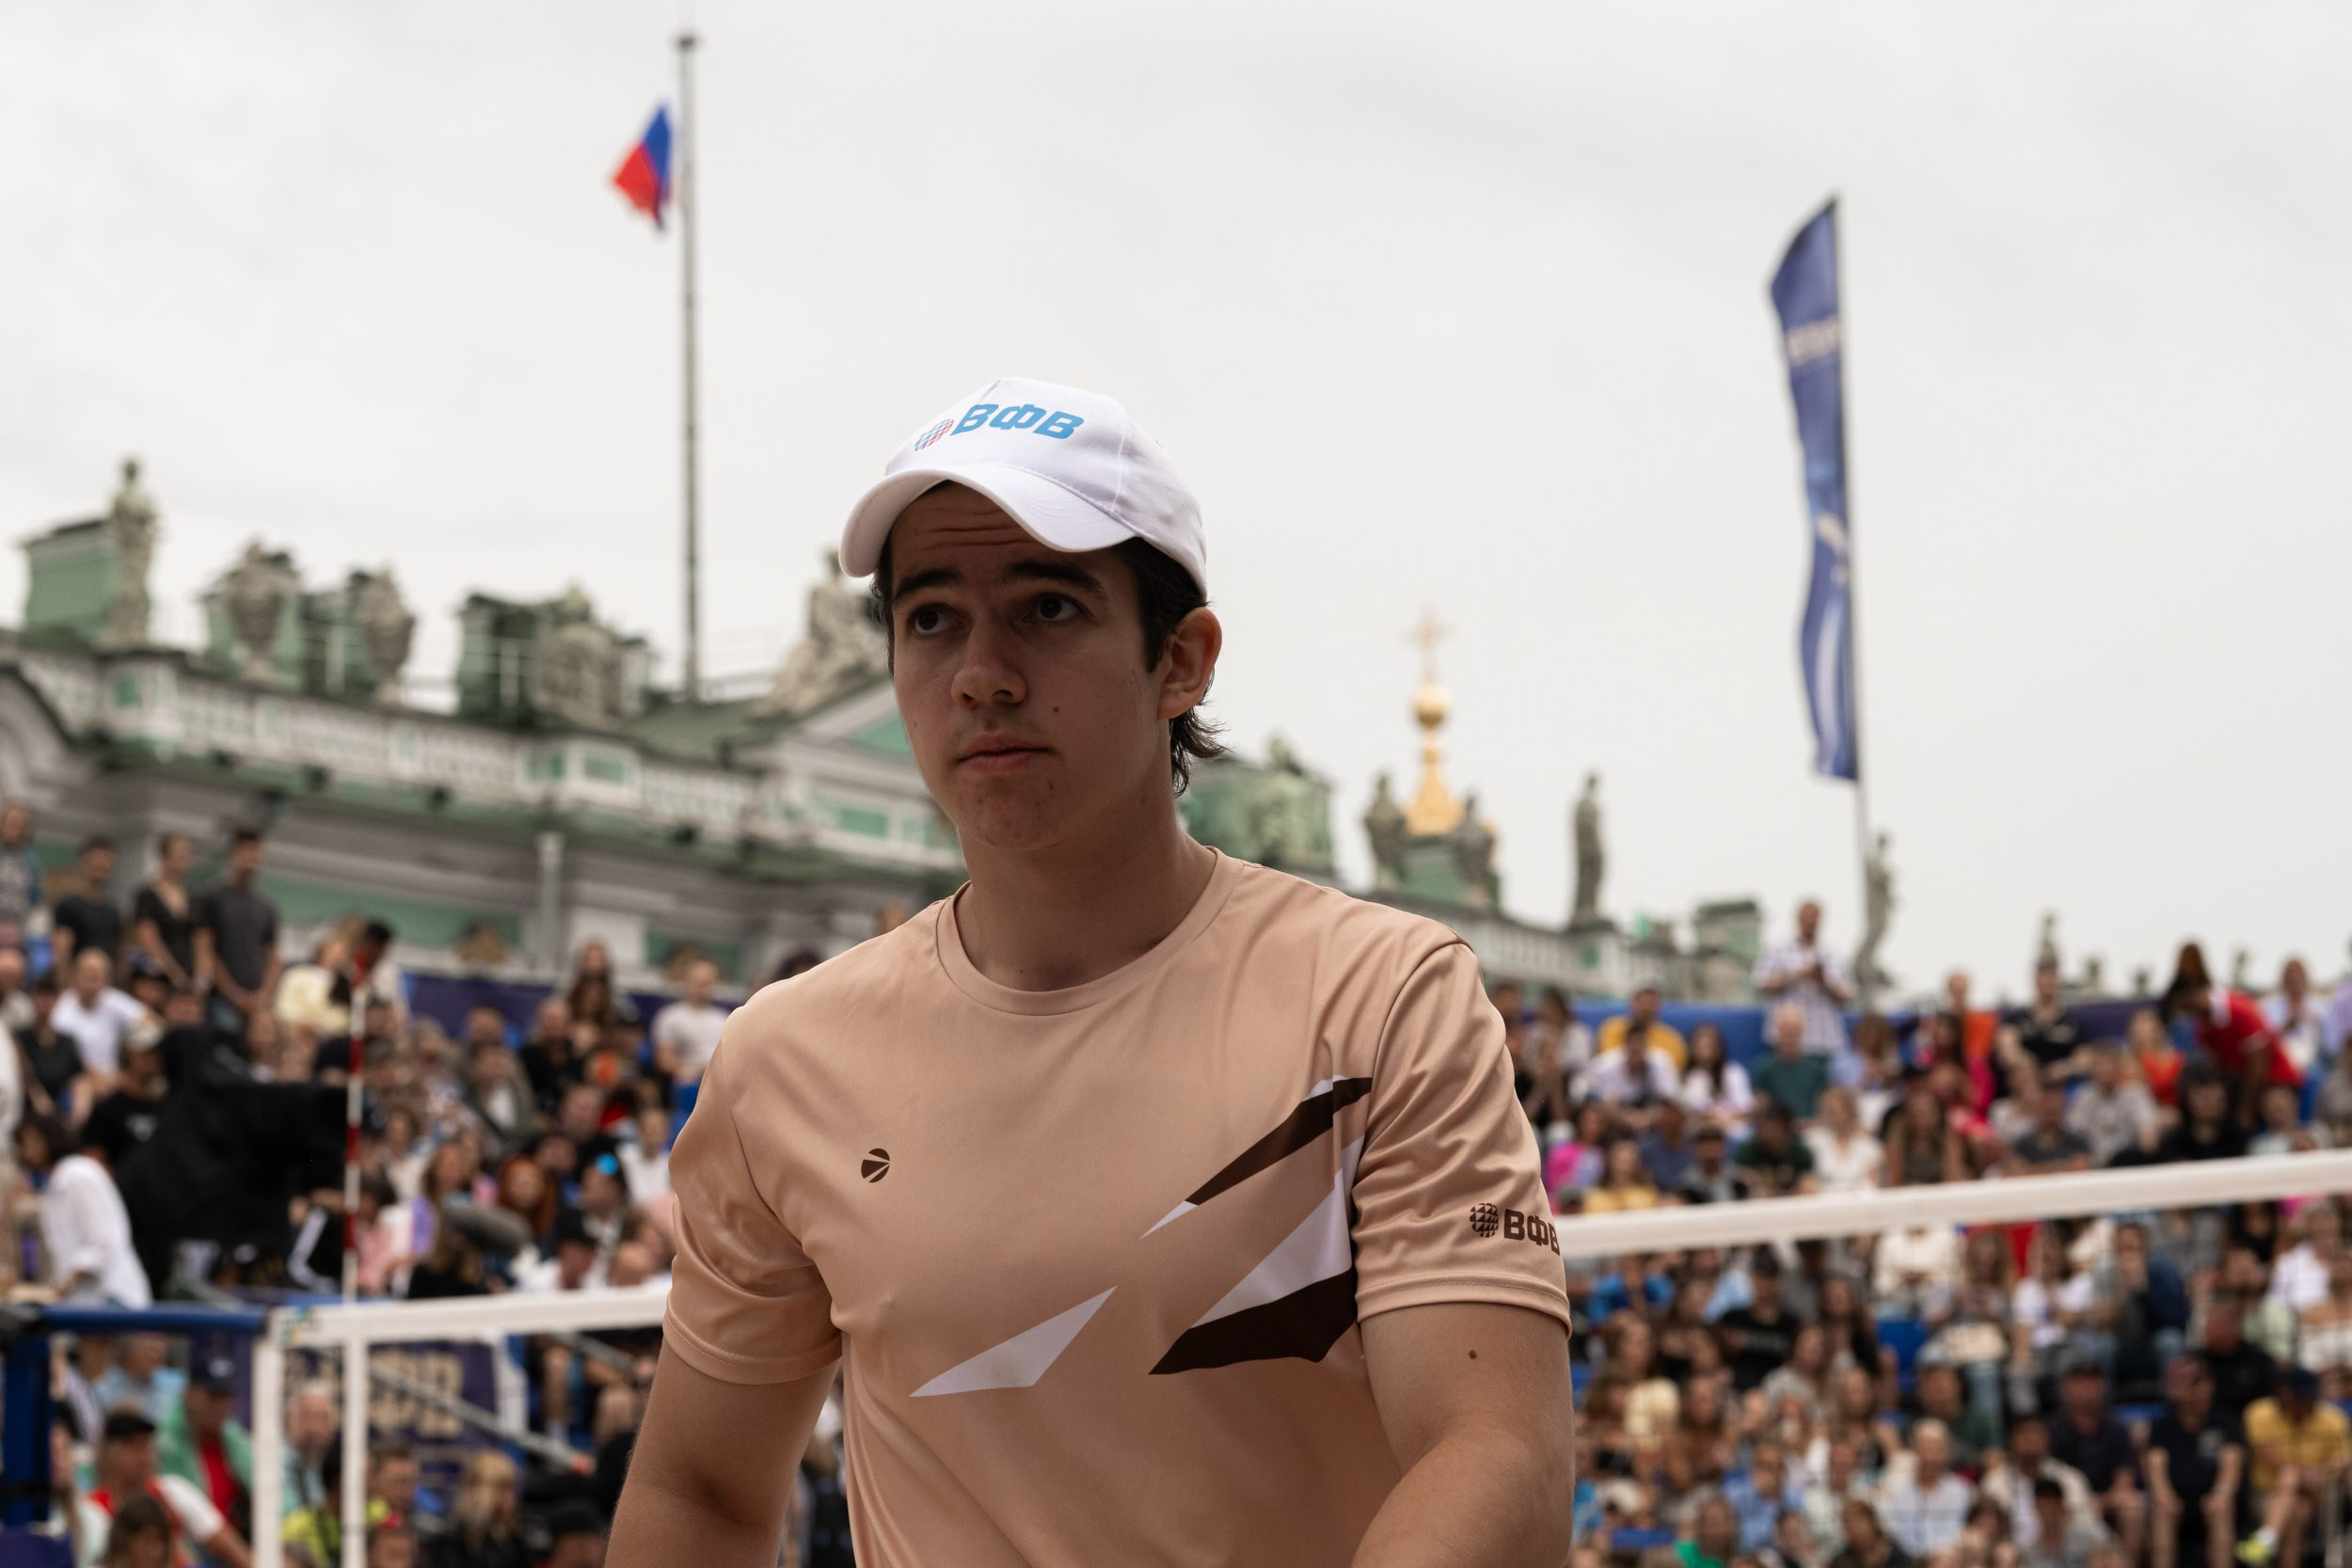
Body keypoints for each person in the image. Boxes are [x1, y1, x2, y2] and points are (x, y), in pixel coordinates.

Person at [612, 378, 1576, 1565]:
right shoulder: (781, 1058)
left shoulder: (1381, 998)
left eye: (1048, 607)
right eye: (930, 619)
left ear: (1181, 660)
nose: (981, 672)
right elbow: (700, 1489)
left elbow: (1497, 1452)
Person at [78, 1409, 251, 1568]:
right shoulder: (90, 1511)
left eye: (146, 1444)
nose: (142, 1455)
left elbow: (230, 1546)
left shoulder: (172, 1491)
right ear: (108, 1452)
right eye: (132, 1445)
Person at [16, 1112, 150, 1307]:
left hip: (111, 1296)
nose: (25, 1151)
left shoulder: (79, 1174)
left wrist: (60, 1286)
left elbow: (102, 1242)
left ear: (49, 1138)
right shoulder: (58, 1182)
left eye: (31, 1141)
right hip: (85, 1301)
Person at [2237, 1365, 2349, 1567]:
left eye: (2310, 1396)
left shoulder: (2333, 1418)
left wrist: (2328, 1471)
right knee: (2295, 1512)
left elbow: (2342, 1458)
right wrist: (2304, 1474)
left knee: (2292, 1476)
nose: (2306, 1402)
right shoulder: (2259, 1412)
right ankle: (2272, 1543)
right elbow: (2273, 1459)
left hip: (2317, 1492)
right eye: (2300, 1397)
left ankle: (2266, 1540)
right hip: (2267, 1494)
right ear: (2285, 1394)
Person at [2145, 1355, 2244, 1568]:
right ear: (2174, 1390)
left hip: (2212, 1497)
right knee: (2163, 1510)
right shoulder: (2163, 1425)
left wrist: (2222, 1493)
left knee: (2221, 1508)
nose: (2201, 1389)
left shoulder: (2225, 1421)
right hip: (2177, 1499)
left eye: (2205, 1382)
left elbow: (2232, 1461)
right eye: (2193, 1384)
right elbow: (2155, 1465)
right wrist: (2165, 1496)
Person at [2048, 1360, 2144, 1567]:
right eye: (2080, 1382)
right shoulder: (2054, 1430)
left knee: (2133, 1506)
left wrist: (2105, 1500)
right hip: (2070, 1501)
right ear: (2066, 1388)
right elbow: (2051, 1476)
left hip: (2108, 1499)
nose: (2088, 1389)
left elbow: (2125, 1476)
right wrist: (2083, 1502)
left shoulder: (2116, 1428)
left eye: (2093, 1382)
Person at [193, 830, 279, 1036]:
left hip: (256, 1003)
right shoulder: (213, 899)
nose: (251, 858)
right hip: (221, 1001)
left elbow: (274, 957)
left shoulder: (266, 907)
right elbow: (205, 949)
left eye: (256, 852)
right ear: (233, 854)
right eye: (246, 851)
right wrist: (232, 993)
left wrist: (263, 996)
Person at [156, 1355, 253, 1531]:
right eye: (212, 1396)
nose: (219, 1406)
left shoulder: (238, 1442)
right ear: (190, 1394)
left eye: (225, 1396)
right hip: (193, 1551)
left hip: (241, 1547)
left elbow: (280, 1503)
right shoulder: (164, 1445)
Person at [1755, 901, 1855, 1056]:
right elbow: (1760, 984)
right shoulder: (1778, 948)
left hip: (1823, 1040)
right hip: (1786, 1040)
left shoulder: (1831, 953)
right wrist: (1797, 975)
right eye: (1806, 917)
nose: (1810, 922)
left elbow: (1848, 996)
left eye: (1814, 918)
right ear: (1798, 919)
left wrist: (1823, 981)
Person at [1877, 1418, 1973, 1559]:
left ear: (1946, 1453)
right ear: (1914, 1452)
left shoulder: (1962, 1492)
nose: (1929, 1458)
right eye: (1924, 1450)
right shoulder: (1897, 1492)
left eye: (1936, 1451)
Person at [50, 949, 146, 1082]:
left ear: (106, 978)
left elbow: (148, 1019)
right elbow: (61, 1052)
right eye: (88, 971)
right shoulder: (63, 1005)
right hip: (75, 1077)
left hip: (113, 1077)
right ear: (75, 975)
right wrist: (94, 1074)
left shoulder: (114, 999)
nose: (93, 975)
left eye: (98, 972)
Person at [423, 1450, 528, 1568]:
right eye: (504, 1489)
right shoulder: (449, 1545)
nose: (512, 1498)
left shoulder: (516, 1544)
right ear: (482, 1493)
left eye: (512, 1489)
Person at [2067, 1043, 2158, 1166]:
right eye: (2100, 1065)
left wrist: (2147, 1136)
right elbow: (2073, 1132)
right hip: (2093, 1165)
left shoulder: (2135, 1093)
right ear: (2092, 1070)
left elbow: (2148, 1132)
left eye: (2109, 1064)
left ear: (2119, 1067)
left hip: (2129, 1163)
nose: (2105, 1069)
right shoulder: (2084, 1096)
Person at [128, 833, 198, 993]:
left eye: (187, 852)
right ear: (164, 855)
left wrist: (200, 978)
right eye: (179, 852)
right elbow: (149, 938)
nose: (184, 856)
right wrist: (175, 974)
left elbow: (199, 939)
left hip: (189, 976)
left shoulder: (192, 898)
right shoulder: (147, 895)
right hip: (159, 978)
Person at [650, 958, 728, 1088]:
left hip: (721, 1079)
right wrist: (696, 1071)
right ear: (686, 982)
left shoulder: (724, 1018)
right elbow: (664, 1060)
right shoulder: (669, 1017)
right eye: (698, 982)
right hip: (688, 1082)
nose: (703, 987)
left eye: (707, 982)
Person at [51, 837, 124, 974]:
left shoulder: (113, 910)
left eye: (106, 859)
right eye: (97, 859)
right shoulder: (68, 905)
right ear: (83, 862)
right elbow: (62, 954)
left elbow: (118, 952)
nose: (102, 864)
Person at [1751, 1006, 1833, 1122]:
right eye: (1786, 1032)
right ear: (1778, 1032)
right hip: (1778, 1130)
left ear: (1802, 1033)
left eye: (1795, 1032)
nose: (1790, 1038)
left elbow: (1826, 1108)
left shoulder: (1817, 1071)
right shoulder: (1763, 1069)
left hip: (1811, 1128)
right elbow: (1760, 1107)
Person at [2013, 961, 2088, 1082]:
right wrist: (2025, 1063)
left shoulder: (2072, 1022)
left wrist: (2063, 1068)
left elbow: (2084, 1058)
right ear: (2035, 981)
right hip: (2026, 1084)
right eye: (2044, 977)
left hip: (2061, 1086)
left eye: (2052, 978)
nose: (2047, 982)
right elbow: (2006, 1046)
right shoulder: (2018, 1019)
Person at [1804, 1085, 1881, 1195]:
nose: (1833, 1116)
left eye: (1836, 1110)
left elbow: (1872, 1184)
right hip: (1822, 1204)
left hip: (1861, 1203)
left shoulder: (1869, 1146)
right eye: (1829, 1111)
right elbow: (1807, 1182)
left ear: (1851, 1111)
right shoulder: (1811, 1142)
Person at [1680, 1022, 1754, 1132]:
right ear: (1692, 1048)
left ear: (1719, 1048)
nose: (1705, 1052)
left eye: (1709, 1046)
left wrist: (1726, 1118)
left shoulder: (1734, 1072)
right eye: (1700, 1047)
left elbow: (1746, 1108)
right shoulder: (1689, 1077)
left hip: (1733, 1127)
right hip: (1700, 1133)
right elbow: (1689, 1111)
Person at [1597, 984, 1687, 1071]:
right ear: (1632, 1003)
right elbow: (1604, 1063)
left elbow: (1672, 1072)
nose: (1646, 1007)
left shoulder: (1671, 1038)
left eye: (1651, 1003)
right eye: (1641, 1001)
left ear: (1659, 1007)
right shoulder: (1611, 1029)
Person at [1828, 1497, 1910, 1568]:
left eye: (1857, 1523)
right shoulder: (1841, 1562)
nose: (1853, 1531)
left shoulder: (1898, 1557)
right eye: (1847, 1526)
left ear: (1872, 1522)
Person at [1677, 1492, 1741, 1568]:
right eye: (1714, 1523)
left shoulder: (1742, 1555)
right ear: (1700, 1526)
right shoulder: (1681, 1555)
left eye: (1726, 1521)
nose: (1721, 1530)